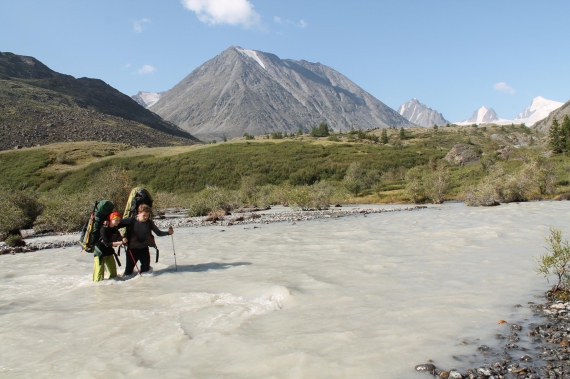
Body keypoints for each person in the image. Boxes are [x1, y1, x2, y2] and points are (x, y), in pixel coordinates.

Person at [121, 204, 173, 275]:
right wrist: (122, 238)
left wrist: (168, 233)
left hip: (144, 249)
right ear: (139, 213)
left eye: (147, 215)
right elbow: (116, 224)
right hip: (132, 250)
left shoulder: (149, 223)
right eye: (144, 215)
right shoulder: (131, 221)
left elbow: (158, 233)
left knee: (146, 273)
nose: (146, 217)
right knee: (128, 273)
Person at [93, 211, 124, 282]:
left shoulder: (114, 228)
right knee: (98, 278)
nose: (118, 222)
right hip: (99, 254)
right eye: (116, 220)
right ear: (111, 219)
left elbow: (119, 237)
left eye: (119, 220)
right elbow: (107, 243)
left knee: (114, 276)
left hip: (109, 253)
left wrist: (123, 238)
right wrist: (120, 242)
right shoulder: (103, 229)